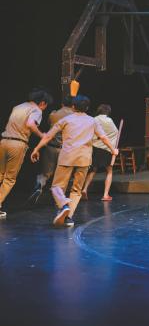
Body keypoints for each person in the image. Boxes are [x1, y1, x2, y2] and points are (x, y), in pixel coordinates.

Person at [30, 95, 118, 228]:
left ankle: (63, 205)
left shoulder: (66, 120)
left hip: (67, 157)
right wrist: (113, 150)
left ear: (73, 107)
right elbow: (104, 137)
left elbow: (48, 136)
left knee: (57, 186)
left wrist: (36, 148)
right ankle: (68, 217)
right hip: (84, 159)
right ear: (87, 108)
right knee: (76, 190)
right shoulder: (92, 121)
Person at [0, 89, 52, 219]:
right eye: (45, 106)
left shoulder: (18, 107)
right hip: (17, 143)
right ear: (42, 103)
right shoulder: (37, 110)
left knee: (0, 174)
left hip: (4, 141)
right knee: (9, 178)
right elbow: (30, 124)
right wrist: (42, 135)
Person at [29, 95, 73, 204]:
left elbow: (50, 125)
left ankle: (39, 185)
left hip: (51, 147)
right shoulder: (74, 116)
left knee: (45, 173)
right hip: (65, 149)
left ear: (62, 104)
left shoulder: (53, 114)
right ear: (73, 105)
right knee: (62, 175)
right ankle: (60, 198)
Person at [81, 104, 118, 201]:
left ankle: (85, 189)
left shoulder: (94, 119)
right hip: (107, 149)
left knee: (93, 170)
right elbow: (115, 132)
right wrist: (113, 148)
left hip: (95, 148)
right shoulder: (109, 120)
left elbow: (89, 132)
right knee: (109, 171)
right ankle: (105, 195)